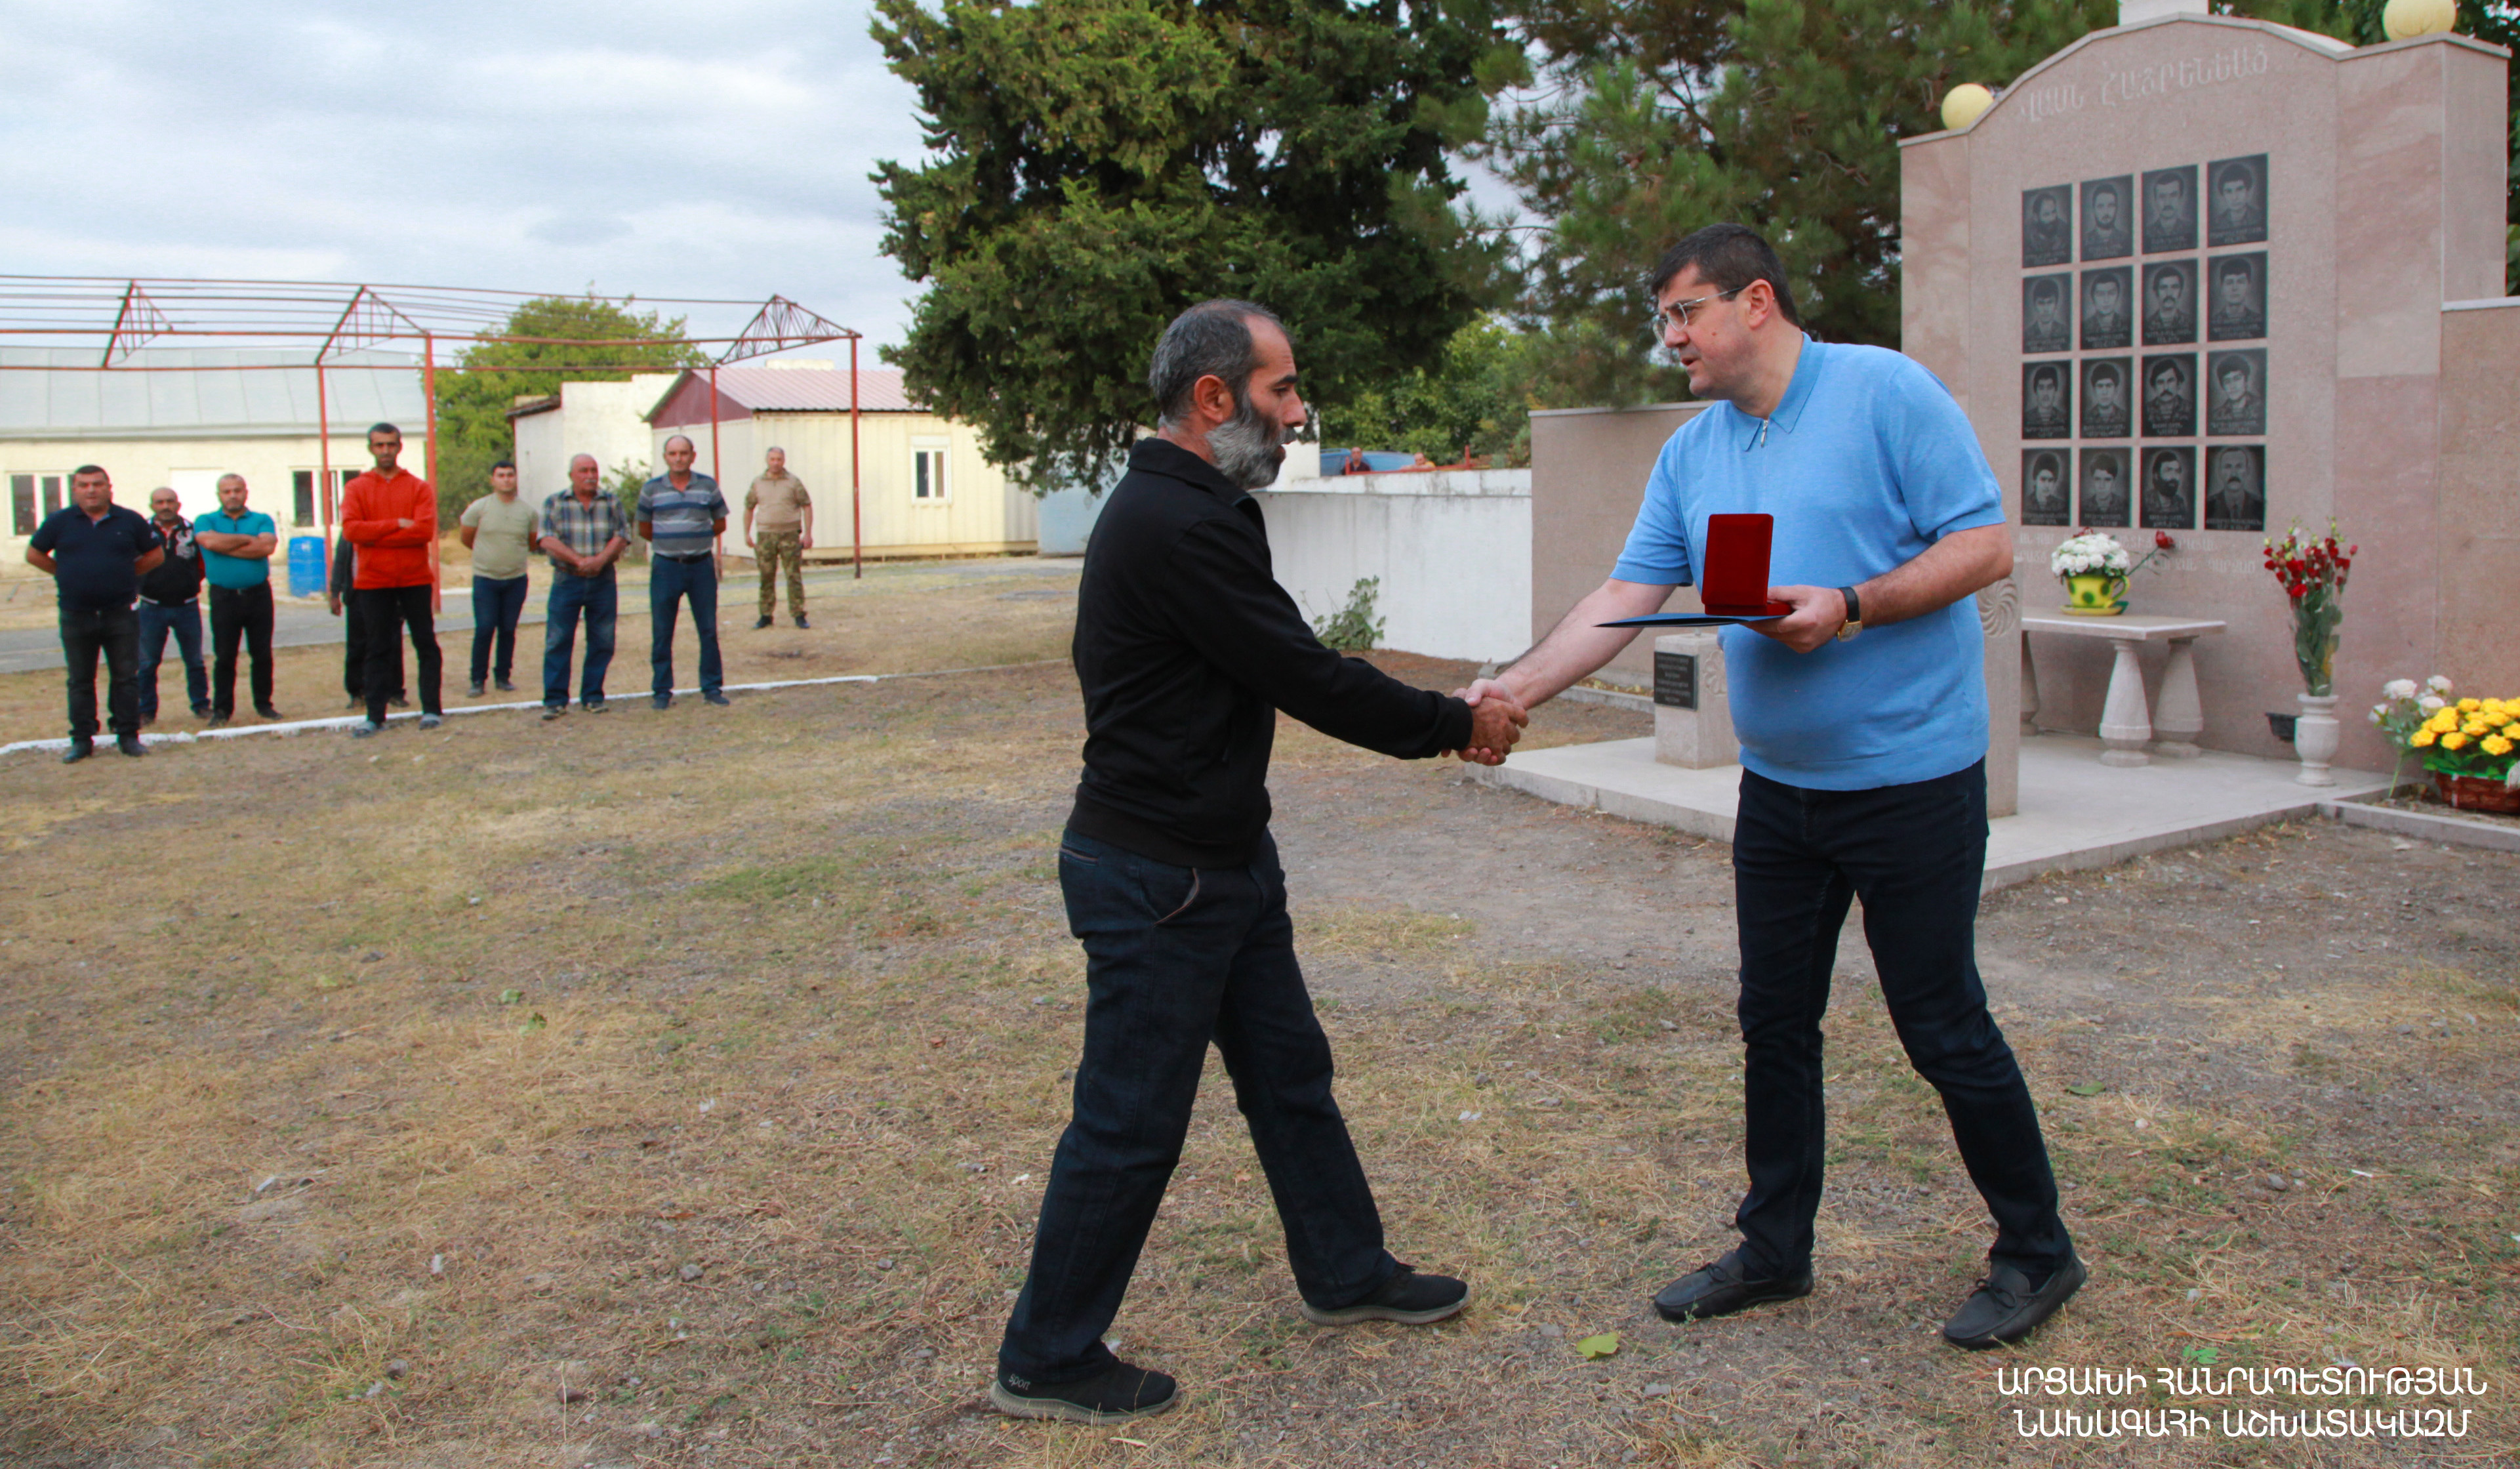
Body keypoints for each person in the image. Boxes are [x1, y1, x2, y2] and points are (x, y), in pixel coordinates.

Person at [1465, 224, 2083, 1352]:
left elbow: (1985, 545)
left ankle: (2036, 1249)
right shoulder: (1696, 451)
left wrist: (1846, 603)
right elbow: (1627, 592)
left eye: (1683, 313)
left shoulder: (1885, 392)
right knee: (1773, 1023)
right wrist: (1513, 687)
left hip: (1910, 781)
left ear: (1755, 301)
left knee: (1941, 1023)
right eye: (1661, 319)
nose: (1670, 339)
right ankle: (1774, 1246)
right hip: (1782, 792)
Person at [991, 299, 1524, 1426]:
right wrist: (1451, 721)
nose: (1297, 413)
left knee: (1290, 1074)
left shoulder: (1193, 505)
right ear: (1213, 398)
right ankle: (1045, 1352)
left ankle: (1346, 1269)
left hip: (1220, 860)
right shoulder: (1176, 522)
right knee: (1130, 1119)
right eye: (1281, 391)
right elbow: (1304, 672)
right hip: (1159, 878)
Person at [26, 466, 163, 761]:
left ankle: (128, 736)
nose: (91, 490)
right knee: (80, 679)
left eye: (97, 484)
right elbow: (34, 553)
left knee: (126, 677)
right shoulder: (60, 521)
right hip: (77, 614)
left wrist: (127, 575)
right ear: (75, 489)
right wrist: (62, 574)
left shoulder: (129, 520)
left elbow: (155, 555)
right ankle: (82, 740)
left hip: (121, 613)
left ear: (109, 488)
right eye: (84, 485)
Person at [339, 423, 443, 736]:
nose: (385, 451)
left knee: (425, 643)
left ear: (400, 447)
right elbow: (352, 531)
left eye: (391, 445)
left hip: (414, 578)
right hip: (374, 581)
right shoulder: (357, 488)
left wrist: (376, 534)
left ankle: (432, 709)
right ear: (371, 448)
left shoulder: (419, 487)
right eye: (379, 445)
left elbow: (424, 531)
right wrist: (398, 524)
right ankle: (375, 715)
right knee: (377, 647)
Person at [636, 435, 731, 709]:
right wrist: (670, 542)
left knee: (708, 629)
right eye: (673, 453)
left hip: (700, 566)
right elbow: (644, 527)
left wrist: (696, 537)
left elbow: (720, 522)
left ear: (693, 455)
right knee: (663, 630)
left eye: (683, 453)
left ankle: (712, 687)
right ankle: (662, 691)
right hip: (666, 567)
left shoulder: (707, 486)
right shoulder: (652, 489)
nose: (678, 458)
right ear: (665, 457)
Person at [539, 453, 630, 718]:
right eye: (583, 471)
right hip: (567, 579)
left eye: (594, 470)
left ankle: (593, 695)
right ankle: (555, 700)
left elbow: (622, 535)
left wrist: (600, 560)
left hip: (603, 580)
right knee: (558, 640)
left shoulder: (611, 501)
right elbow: (546, 538)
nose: (590, 475)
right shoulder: (554, 502)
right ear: (572, 475)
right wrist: (579, 561)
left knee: (602, 639)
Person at [194, 473, 282, 725]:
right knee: (224, 655)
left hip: (258, 595)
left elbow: (266, 548)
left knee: (262, 653)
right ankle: (222, 710)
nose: (232, 495)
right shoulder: (205, 520)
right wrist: (247, 539)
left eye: (237, 490)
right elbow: (208, 541)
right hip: (224, 597)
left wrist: (225, 545)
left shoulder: (261, 519)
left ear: (246, 492)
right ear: (219, 495)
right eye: (227, 491)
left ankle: (264, 704)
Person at [458, 459, 538, 696]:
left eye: (510, 475)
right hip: (486, 579)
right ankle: (477, 679)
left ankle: (503, 676)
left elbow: (531, 542)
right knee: (484, 628)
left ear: (516, 479)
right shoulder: (479, 508)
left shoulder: (528, 512)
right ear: (492, 480)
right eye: (501, 475)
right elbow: (466, 538)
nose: (506, 479)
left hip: (516, 579)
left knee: (508, 629)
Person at [135, 486, 210, 727]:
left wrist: (187, 584)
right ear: (152, 506)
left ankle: (201, 705)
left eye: (170, 501)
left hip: (187, 607)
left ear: (178, 504)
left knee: (195, 661)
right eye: (159, 502)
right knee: (147, 663)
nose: (165, 506)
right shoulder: (141, 532)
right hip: (151, 608)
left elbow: (202, 564)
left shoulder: (192, 531)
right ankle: (146, 710)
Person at [330, 533, 406, 711]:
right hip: (357, 594)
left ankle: (394, 692)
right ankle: (358, 692)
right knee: (357, 645)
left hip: (388, 593)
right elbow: (341, 562)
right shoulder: (351, 531)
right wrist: (335, 592)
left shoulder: (389, 529)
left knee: (392, 643)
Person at [744, 445, 813, 629]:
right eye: (772, 459)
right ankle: (766, 614)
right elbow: (749, 508)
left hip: (790, 535)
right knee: (766, 575)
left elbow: (807, 505)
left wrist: (808, 533)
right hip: (766, 535)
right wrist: (747, 533)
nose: (776, 463)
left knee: (793, 575)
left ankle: (798, 613)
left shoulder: (793, 482)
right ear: (767, 460)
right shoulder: (758, 482)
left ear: (784, 461)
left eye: (779, 459)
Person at [2210, 257, 2265, 339]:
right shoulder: (2211, 324)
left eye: (2240, 282)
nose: (2235, 288)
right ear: (2222, 288)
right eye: (2229, 282)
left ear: (2249, 286)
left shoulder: (2261, 322)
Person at [2208, 357, 2264, 436]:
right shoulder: (2216, 416)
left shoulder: (2262, 407)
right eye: (2227, 381)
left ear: (2246, 380)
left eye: (2237, 378)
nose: (2233, 386)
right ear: (2223, 386)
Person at [2142, 265, 2194, 345]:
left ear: (2181, 291)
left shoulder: (2191, 323)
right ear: (2156, 292)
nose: (2169, 293)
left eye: (2174, 287)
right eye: (2163, 288)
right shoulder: (2146, 325)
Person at [2143, 450, 2193, 529]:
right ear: (2156, 475)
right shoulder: (2145, 501)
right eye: (2168, 471)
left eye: (2177, 471)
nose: (2174, 476)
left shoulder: (2180, 503)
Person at [2144, 358, 2193, 438]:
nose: (2166, 388)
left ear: (2179, 384)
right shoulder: (2145, 411)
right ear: (2154, 387)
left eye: (2170, 381)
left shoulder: (2191, 409)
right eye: (2160, 382)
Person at [2081, 181, 2129, 259]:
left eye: (2111, 206)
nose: (2106, 212)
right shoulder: (2084, 242)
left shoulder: (2127, 240)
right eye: (2100, 206)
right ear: (2094, 210)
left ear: (2117, 208)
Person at [2081, 453, 2130, 525]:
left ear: (2114, 481)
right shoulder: (2082, 507)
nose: (2102, 486)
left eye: (2107, 480)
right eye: (2097, 479)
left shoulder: (2125, 506)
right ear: (2092, 480)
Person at [2081, 273, 2128, 348]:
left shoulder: (2128, 325)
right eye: (2100, 294)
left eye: (2111, 293)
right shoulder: (2083, 328)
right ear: (2093, 298)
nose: (2106, 300)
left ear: (2118, 296)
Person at [2081, 363, 2128, 438]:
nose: (2104, 392)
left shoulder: (2126, 418)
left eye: (2109, 386)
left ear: (2116, 390)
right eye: (2100, 386)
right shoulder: (2085, 418)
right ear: (2094, 390)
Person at [2022, 366, 2067, 438]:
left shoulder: (2064, 419)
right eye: (2041, 388)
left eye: (2050, 387)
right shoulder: (2026, 418)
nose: (2045, 393)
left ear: (2055, 390)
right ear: (2035, 391)